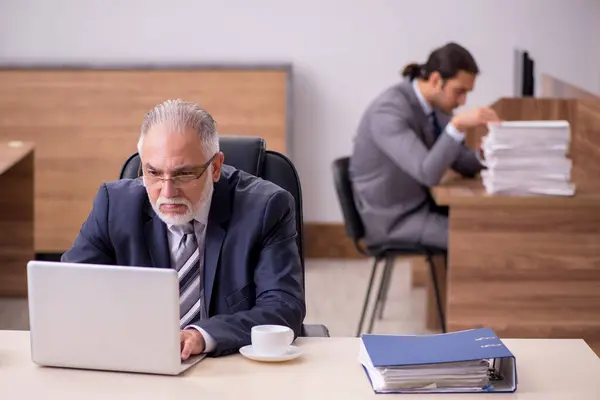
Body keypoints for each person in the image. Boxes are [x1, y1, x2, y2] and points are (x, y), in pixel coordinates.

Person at [61, 99, 306, 358]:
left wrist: (200, 336)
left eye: (184, 174)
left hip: (232, 369)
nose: (167, 192)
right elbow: (68, 290)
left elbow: (283, 307)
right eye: (153, 172)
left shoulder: (266, 208)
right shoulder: (113, 205)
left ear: (215, 167)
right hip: (138, 362)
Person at [349, 42, 500, 249]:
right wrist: (456, 126)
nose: (463, 101)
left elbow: (461, 162)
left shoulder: (436, 107)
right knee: (479, 240)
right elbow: (427, 173)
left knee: (492, 224)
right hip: (394, 219)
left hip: (422, 205)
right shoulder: (388, 110)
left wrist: (489, 153)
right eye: (459, 91)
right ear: (436, 80)